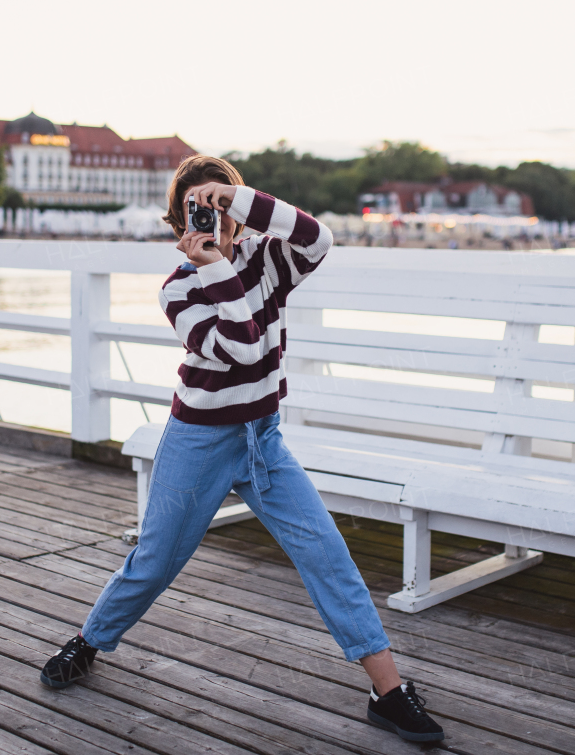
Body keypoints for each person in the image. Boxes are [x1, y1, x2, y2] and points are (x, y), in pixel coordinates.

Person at [39, 155, 445, 743]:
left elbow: (319, 238)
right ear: (179, 221)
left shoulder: (267, 259)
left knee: (327, 554)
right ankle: (89, 641)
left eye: (220, 204)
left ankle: (388, 692)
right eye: (199, 208)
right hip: (199, 443)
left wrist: (238, 198)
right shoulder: (179, 288)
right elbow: (244, 349)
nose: (214, 217)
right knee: (154, 562)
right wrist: (211, 265)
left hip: (263, 438)